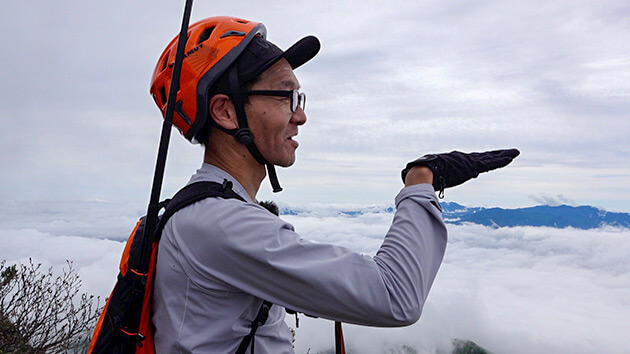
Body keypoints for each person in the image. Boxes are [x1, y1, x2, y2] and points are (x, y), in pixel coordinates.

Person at [149, 16, 518, 353]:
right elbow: (396, 295)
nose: (301, 115)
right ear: (225, 112)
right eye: (285, 95)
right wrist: (421, 180)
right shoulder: (220, 224)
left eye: (300, 98)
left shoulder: (203, 212)